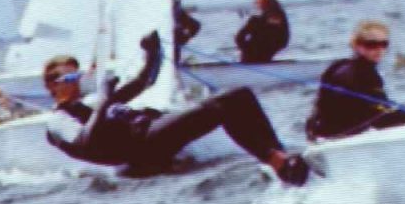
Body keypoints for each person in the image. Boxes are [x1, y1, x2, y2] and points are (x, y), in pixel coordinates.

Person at [44, 31, 310, 183]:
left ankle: (279, 156)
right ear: (51, 86)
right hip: (140, 150)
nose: (74, 82)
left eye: (75, 75)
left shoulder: (91, 103)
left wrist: (153, 53)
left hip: (151, 131)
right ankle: (278, 163)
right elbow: (87, 143)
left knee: (240, 97)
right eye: (66, 78)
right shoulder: (58, 121)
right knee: (228, 103)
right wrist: (106, 100)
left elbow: (144, 81)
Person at [306, 20, 405, 141]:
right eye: (371, 44)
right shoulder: (365, 74)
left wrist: (403, 108)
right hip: (341, 137)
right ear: (357, 45)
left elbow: (378, 105)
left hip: (320, 134)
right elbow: (379, 116)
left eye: (384, 44)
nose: (379, 49)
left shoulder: (338, 66)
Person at [233, 0, 291, 65]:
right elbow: (239, 38)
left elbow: (283, 38)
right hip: (255, 51)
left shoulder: (275, 17)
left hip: (260, 50)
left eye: (260, 4)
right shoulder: (259, 20)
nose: (259, 6)